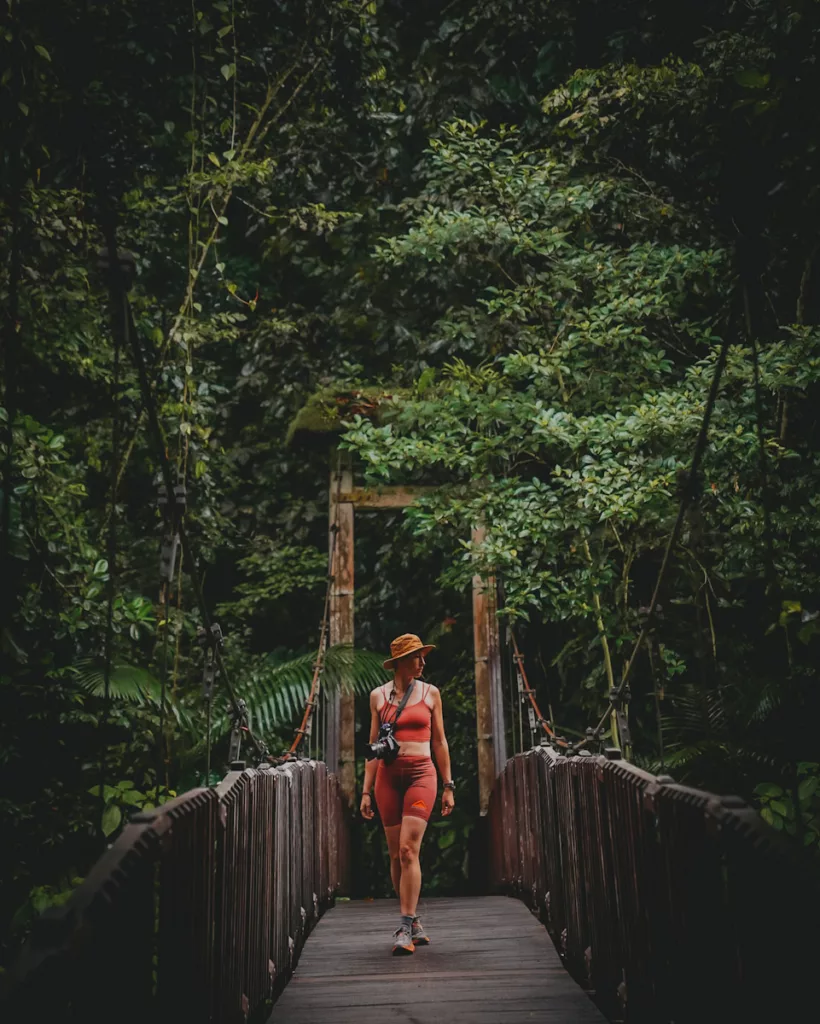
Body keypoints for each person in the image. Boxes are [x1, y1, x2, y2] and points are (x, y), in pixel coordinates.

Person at [360, 633, 455, 955]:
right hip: (387, 778)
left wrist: (448, 785)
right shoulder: (377, 697)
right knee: (395, 854)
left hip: (421, 774)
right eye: (417, 657)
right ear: (401, 661)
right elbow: (373, 748)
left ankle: (403, 926)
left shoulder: (431, 694)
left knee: (408, 850)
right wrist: (365, 792)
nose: (423, 662)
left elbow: (440, 741)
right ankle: (413, 919)